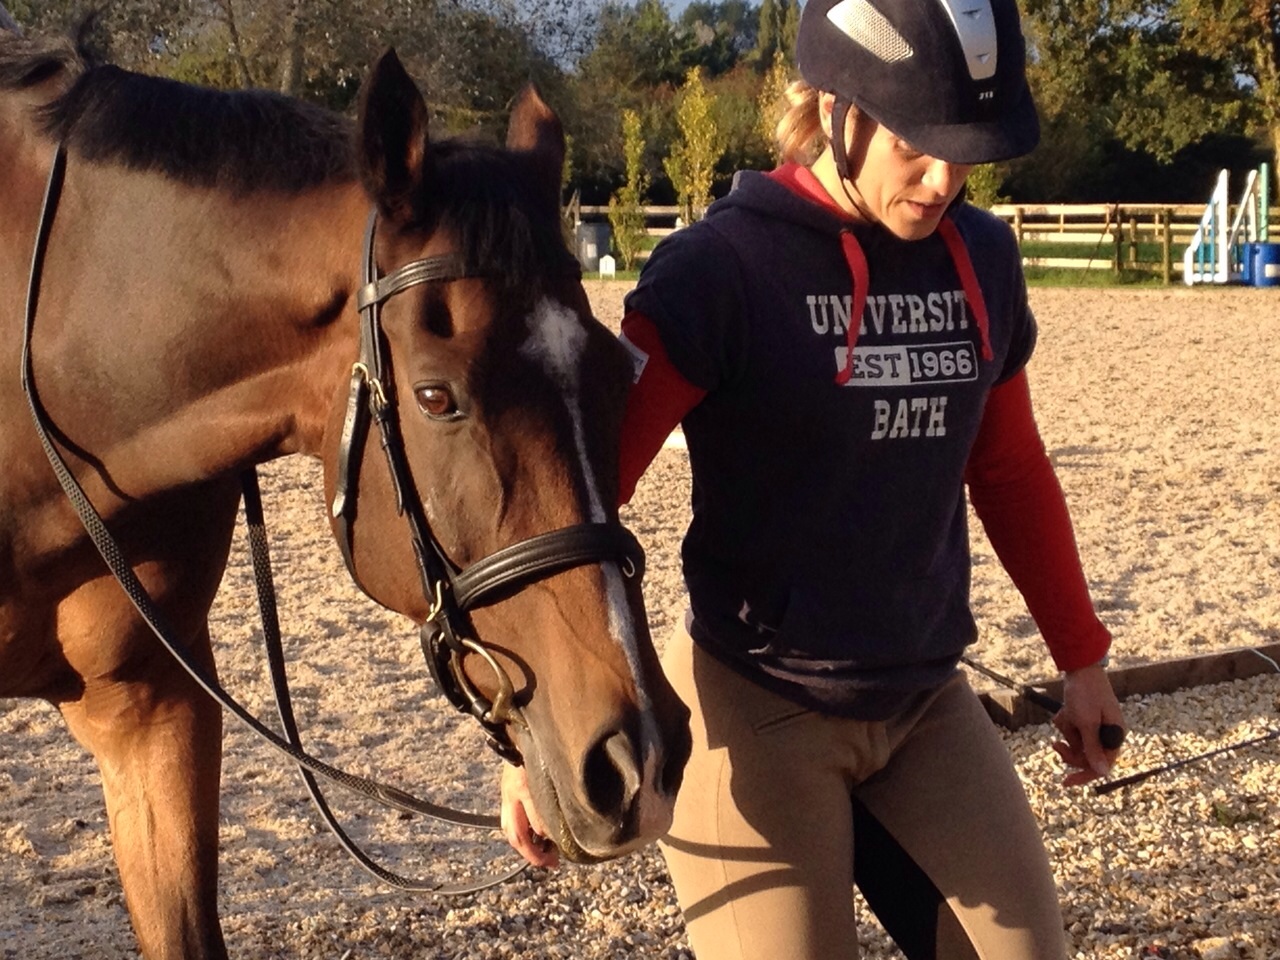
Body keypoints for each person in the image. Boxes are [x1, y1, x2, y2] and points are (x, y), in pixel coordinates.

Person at [501, 0, 1126, 956]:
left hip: (924, 702)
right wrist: (531, 731)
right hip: (758, 704)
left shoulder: (984, 261)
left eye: (966, 150)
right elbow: (580, 500)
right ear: (834, 108)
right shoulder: (719, 271)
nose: (945, 175)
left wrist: (1081, 658)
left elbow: (1007, 469)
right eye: (918, 142)